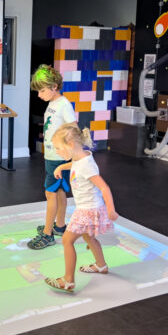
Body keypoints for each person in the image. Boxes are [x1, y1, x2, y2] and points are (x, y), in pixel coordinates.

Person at [44, 125, 119, 293]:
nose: (56, 151)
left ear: (70, 144)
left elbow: (105, 188)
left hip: (87, 210)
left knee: (67, 240)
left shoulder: (87, 165)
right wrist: (61, 167)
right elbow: (75, 164)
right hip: (90, 208)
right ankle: (101, 265)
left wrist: (111, 210)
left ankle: (68, 281)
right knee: (89, 238)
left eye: (58, 148)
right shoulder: (81, 157)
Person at [28, 64, 77, 250]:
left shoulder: (64, 105)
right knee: (59, 192)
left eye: (42, 91)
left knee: (51, 194)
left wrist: (72, 155)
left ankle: (48, 234)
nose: (39, 95)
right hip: (51, 156)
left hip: (58, 159)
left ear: (54, 87)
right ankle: (60, 226)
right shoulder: (53, 103)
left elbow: (73, 129)